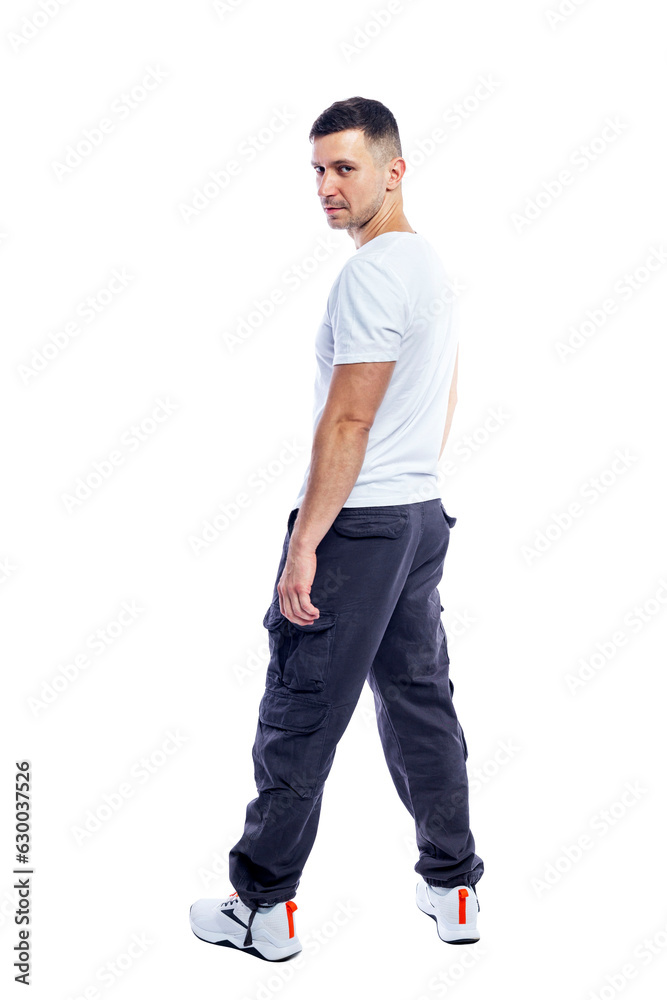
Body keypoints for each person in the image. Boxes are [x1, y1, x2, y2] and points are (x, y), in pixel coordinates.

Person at [190, 96, 483, 962]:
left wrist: (305, 544)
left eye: (345, 168)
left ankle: (261, 906)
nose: (326, 186)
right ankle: (453, 886)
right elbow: (443, 391)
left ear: (394, 171)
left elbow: (349, 421)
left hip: (360, 528)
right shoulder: (425, 264)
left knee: (301, 712)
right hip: (418, 516)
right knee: (420, 705)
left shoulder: (372, 274)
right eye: (317, 170)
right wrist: (411, 485)